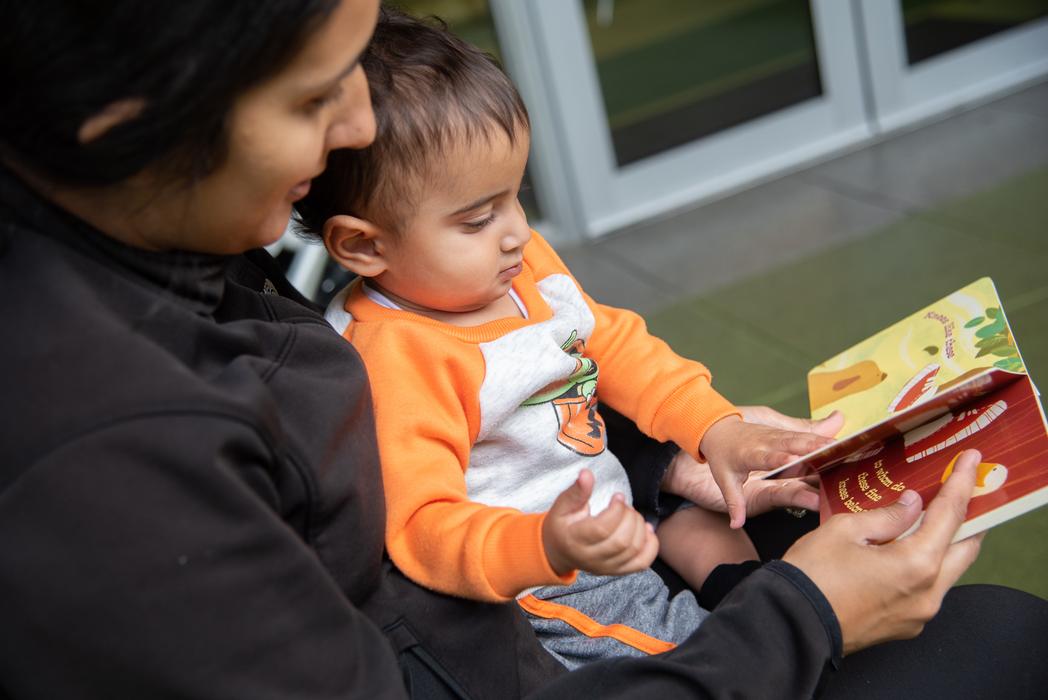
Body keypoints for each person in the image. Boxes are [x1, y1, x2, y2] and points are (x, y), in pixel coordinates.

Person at [1, 1, 1045, 698]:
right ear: (129, 119)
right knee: (998, 642)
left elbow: (590, 353)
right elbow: (430, 527)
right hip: (544, 612)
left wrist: (696, 440)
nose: (357, 129)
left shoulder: (197, 239)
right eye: (316, 97)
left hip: (596, 520)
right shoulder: (105, 457)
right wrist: (798, 619)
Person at [294, 9, 839, 668]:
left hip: (602, 485)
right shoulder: (396, 360)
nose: (517, 231)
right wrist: (546, 546)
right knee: (682, 648)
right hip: (550, 577)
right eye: (476, 218)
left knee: (702, 522)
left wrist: (714, 426)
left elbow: (612, 342)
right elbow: (423, 527)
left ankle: (742, 587)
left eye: (516, 196)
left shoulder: (515, 264)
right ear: (363, 246)